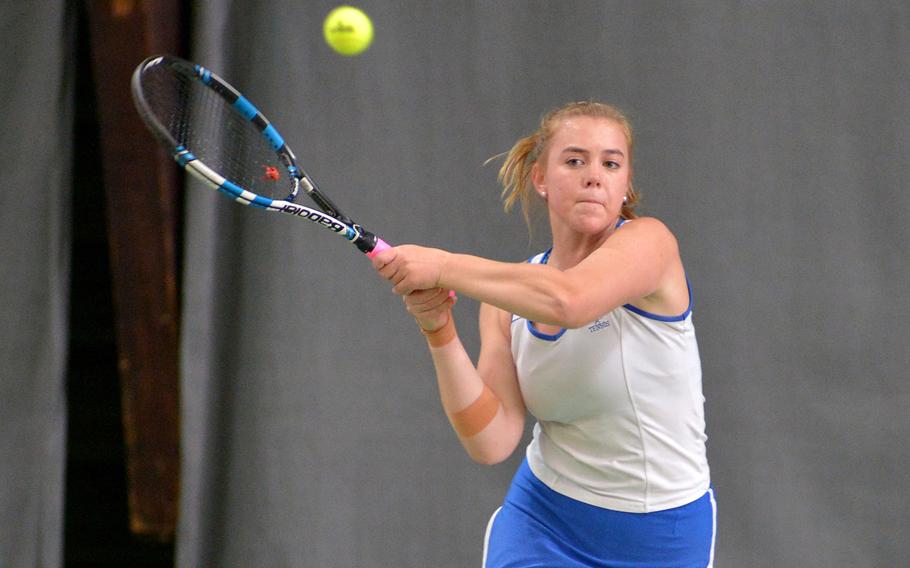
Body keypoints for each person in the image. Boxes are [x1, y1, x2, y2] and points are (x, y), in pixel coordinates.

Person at [372, 101, 716, 567]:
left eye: (611, 163)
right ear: (541, 179)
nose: (594, 175)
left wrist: (445, 266)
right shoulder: (506, 301)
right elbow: (491, 440)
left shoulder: (651, 243)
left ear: (626, 185)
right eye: (575, 160)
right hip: (544, 521)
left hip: (661, 536)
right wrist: (439, 330)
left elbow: (570, 300)